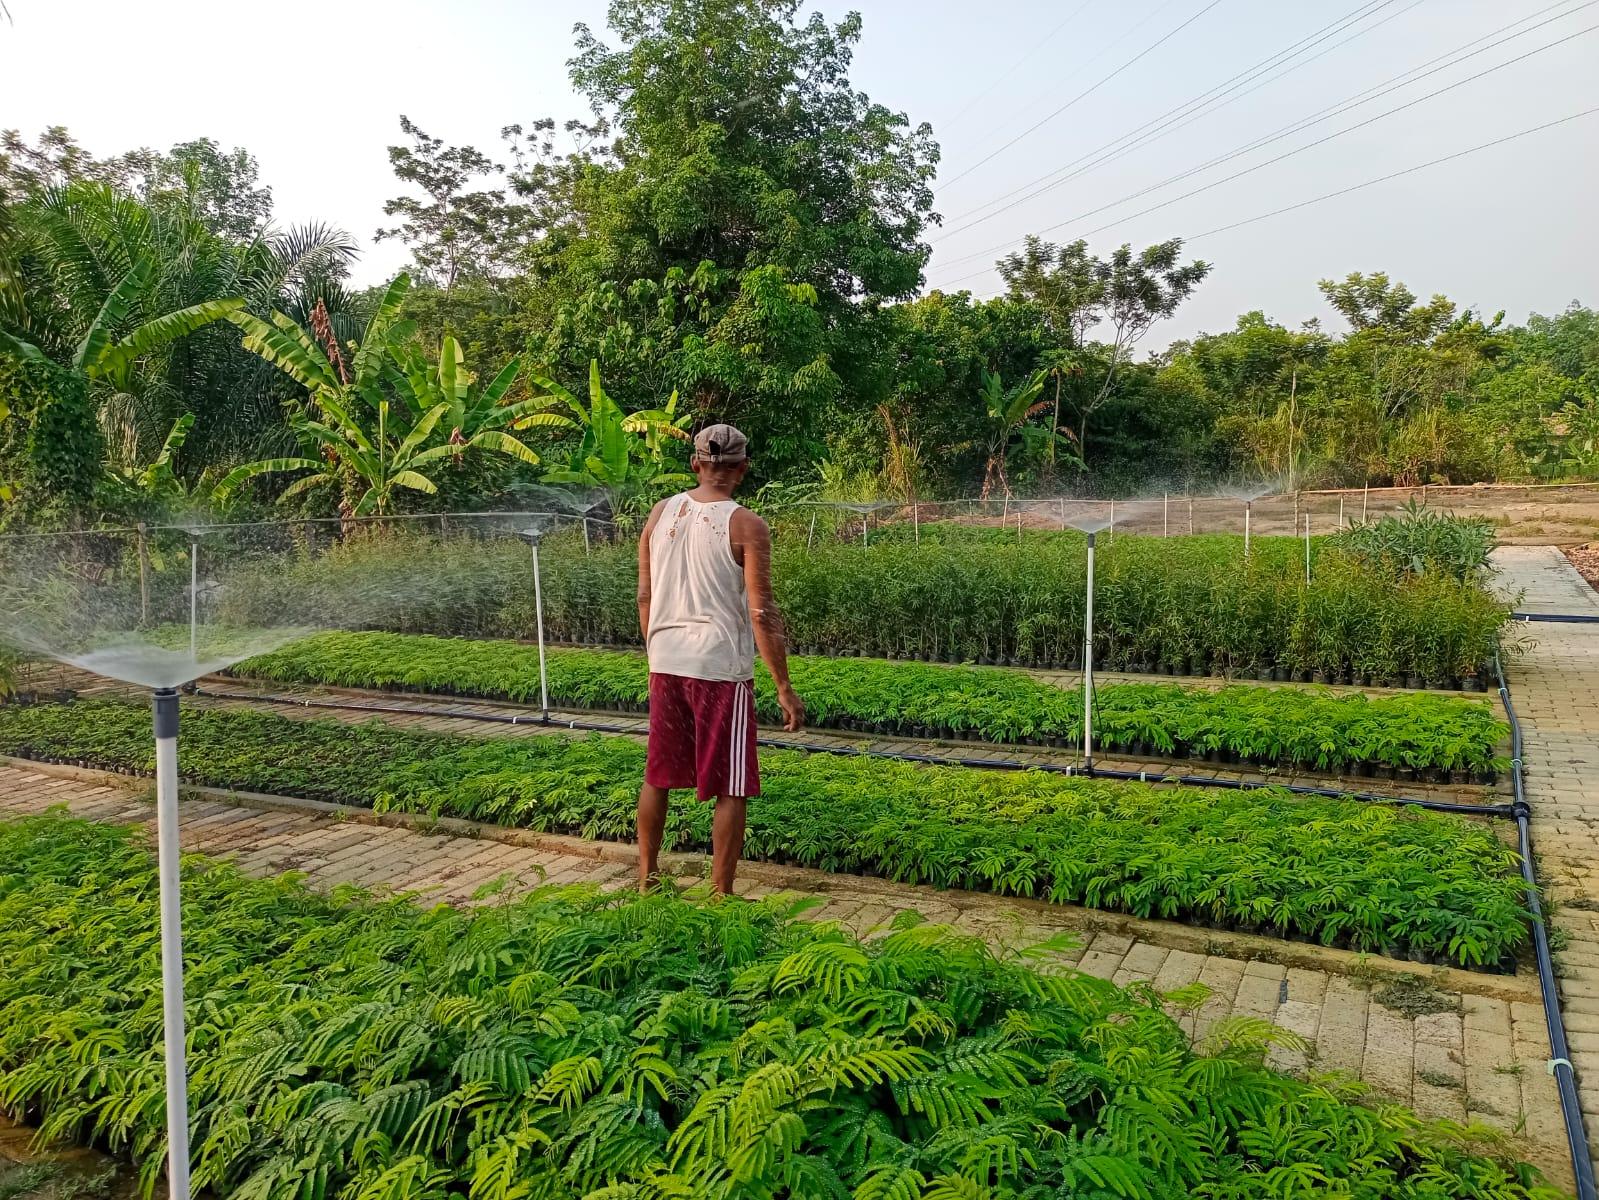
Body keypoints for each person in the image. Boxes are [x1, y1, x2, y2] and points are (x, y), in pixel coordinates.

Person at [635, 423, 804, 894]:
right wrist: (783, 687)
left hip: (665, 660)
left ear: (696, 464)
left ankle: (647, 880)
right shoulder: (746, 524)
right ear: (742, 468)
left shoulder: (659, 514)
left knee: (658, 774)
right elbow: (761, 611)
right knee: (732, 782)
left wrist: (657, 650)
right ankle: (720, 895)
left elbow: (645, 596)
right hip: (719, 669)